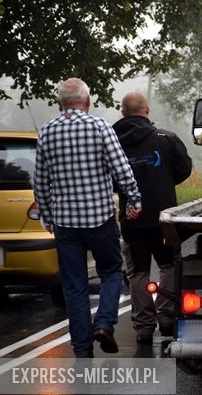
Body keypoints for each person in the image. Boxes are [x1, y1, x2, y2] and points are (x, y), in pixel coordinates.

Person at [33, 78, 141, 358]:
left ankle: (81, 349)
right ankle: (104, 323)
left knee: (74, 286)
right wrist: (134, 199)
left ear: (59, 103)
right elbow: (121, 168)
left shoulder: (47, 132)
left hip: (66, 224)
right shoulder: (100, 126)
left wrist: (48, 216)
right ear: (88, 101)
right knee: (111, 273)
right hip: (100, 220)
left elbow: (41, 182)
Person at [113, 92, 192, 344]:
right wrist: (165, 180)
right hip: (164, 218)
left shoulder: (112, 141)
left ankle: (144, 327)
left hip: (132, 219)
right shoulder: (166, 139)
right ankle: (167, 318)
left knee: (138, 271)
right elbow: (184, 169)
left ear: (123, 112)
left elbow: (109, 178)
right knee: (169, 265)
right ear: (146, 110)